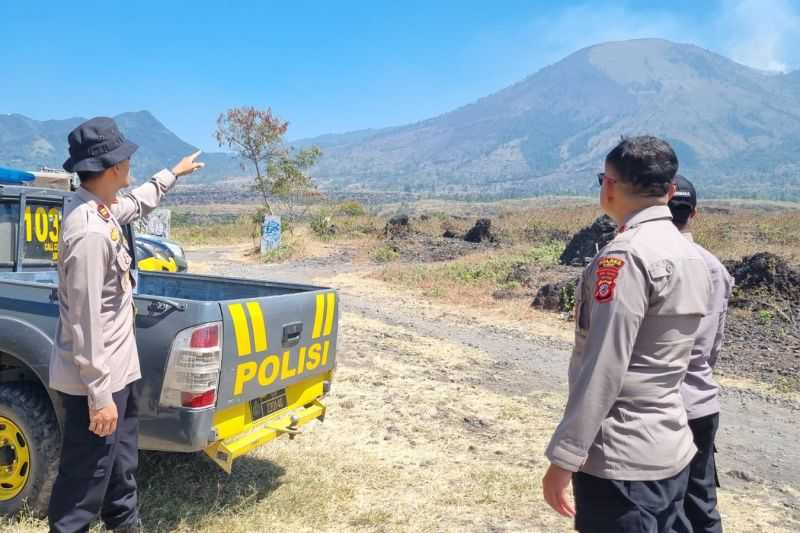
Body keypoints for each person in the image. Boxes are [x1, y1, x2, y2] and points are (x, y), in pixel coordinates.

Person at [542, 136, 712, 533]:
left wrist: (564, 457)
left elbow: (603, 366)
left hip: (621, 459)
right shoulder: (693, 255)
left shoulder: (625, 256)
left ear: (609, 186)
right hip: (671, 447)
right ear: (669, 191)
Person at [48, 117, 203, 533]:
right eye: (126, 158)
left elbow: (138, 202)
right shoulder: (88, 232)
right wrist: (100, 394)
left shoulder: (103, 209)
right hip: (94, 382)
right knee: (84, 483)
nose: (130, 163)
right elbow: (85, 320)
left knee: (121, 468)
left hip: (119, 371)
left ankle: (125, 524)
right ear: (112, 166)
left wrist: (174, 172)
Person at [669, 175, 733, 533]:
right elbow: (714, 345)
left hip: (662, 403)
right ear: (694, 213)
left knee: (659, 504)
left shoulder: (650, 259)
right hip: (701, 400)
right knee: (701, 501)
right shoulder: (714, 267)